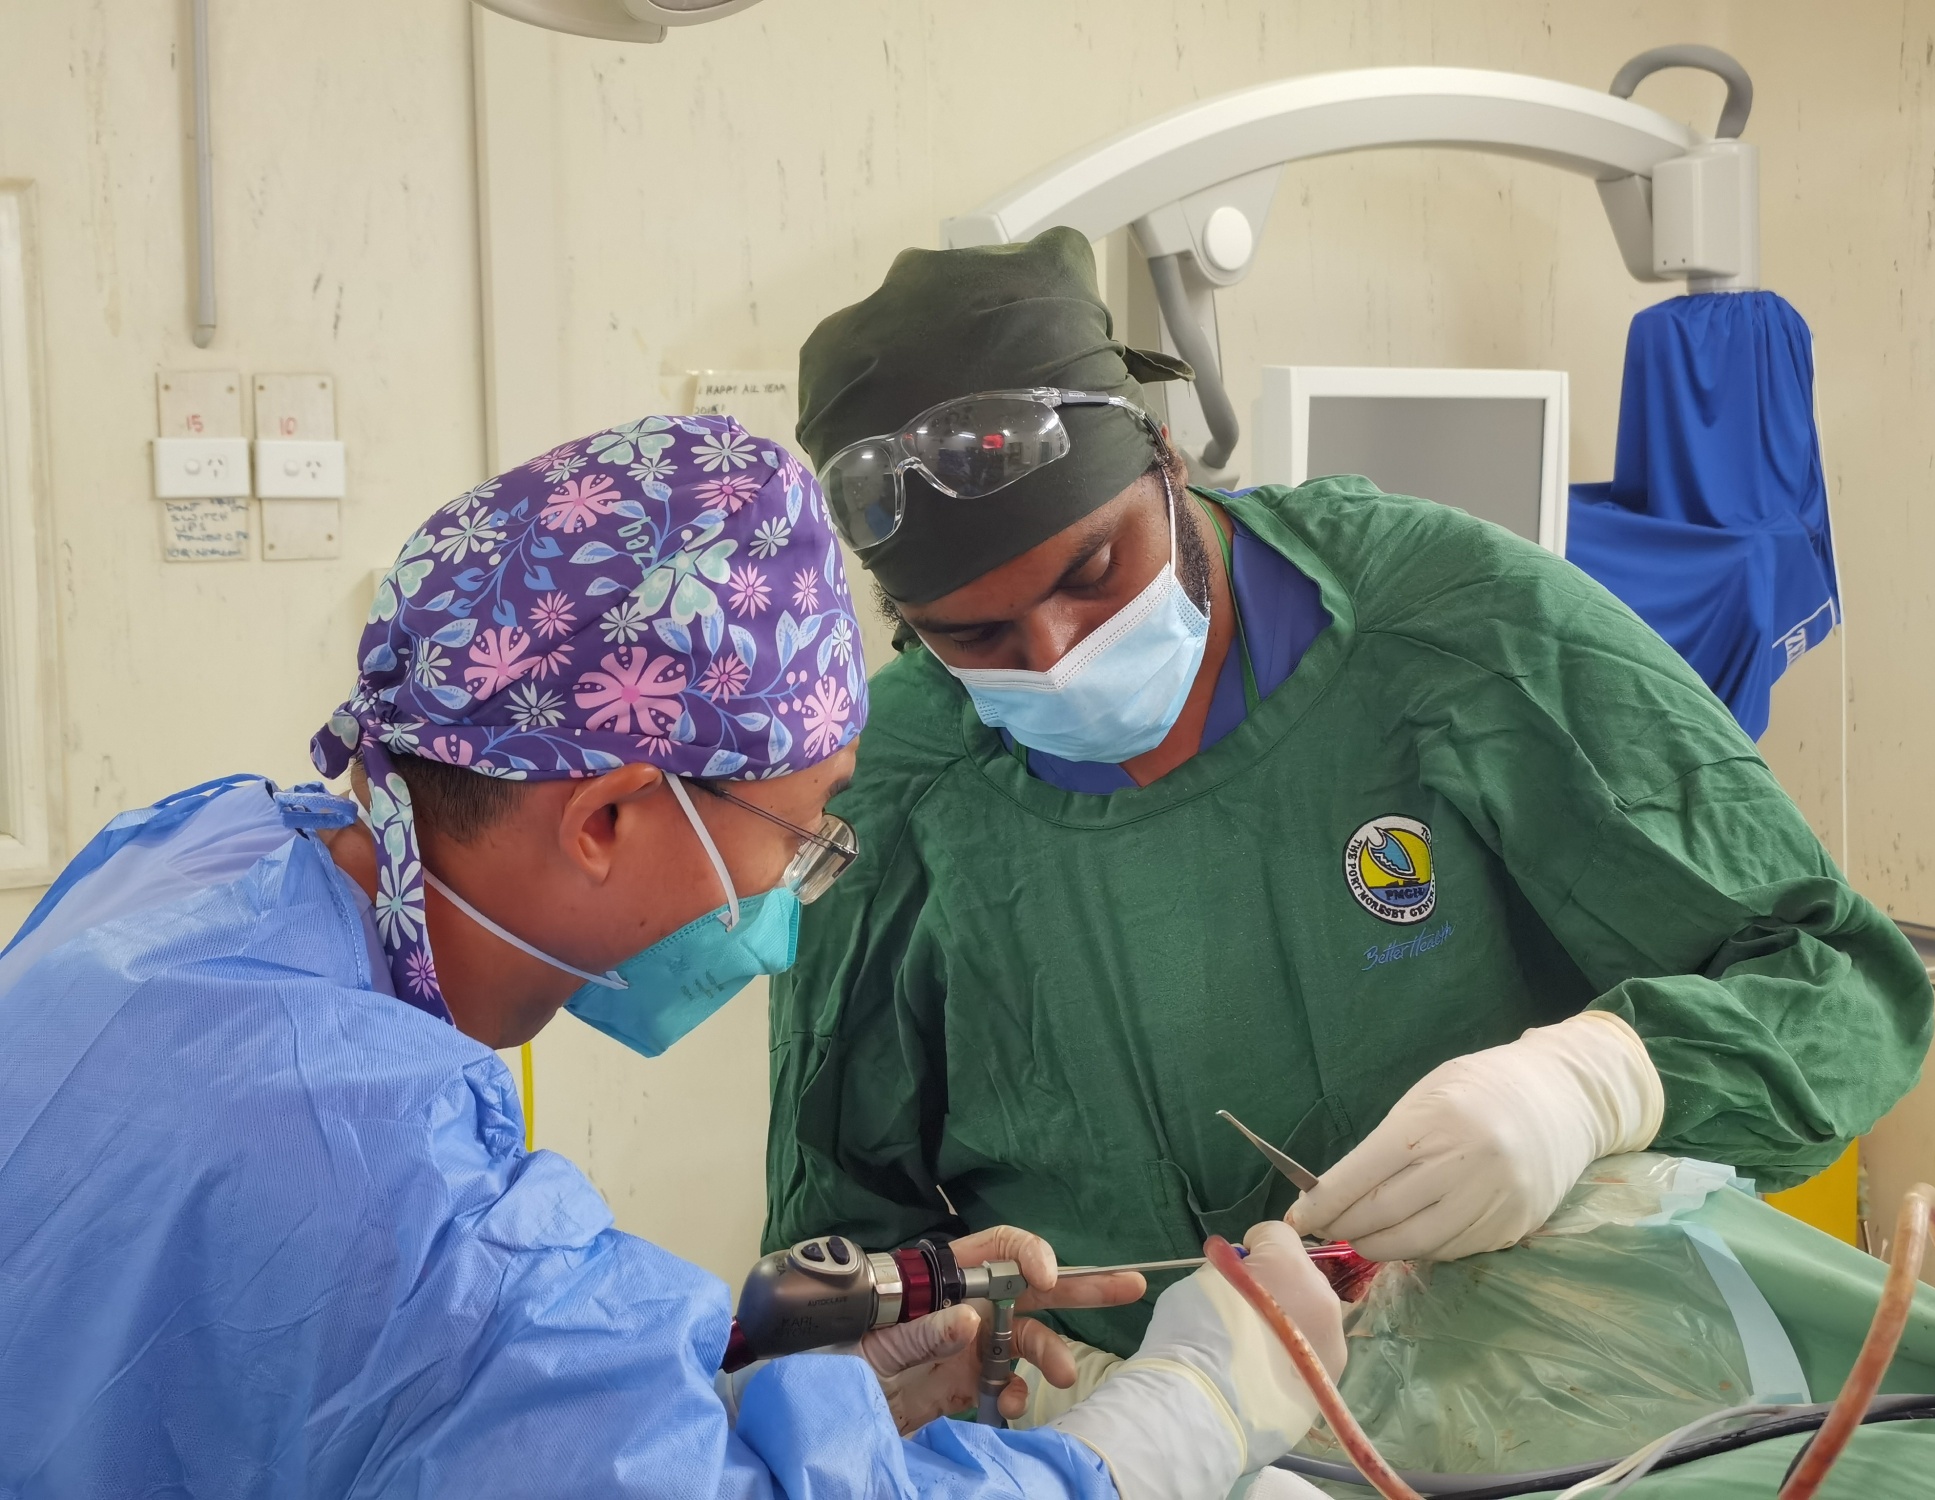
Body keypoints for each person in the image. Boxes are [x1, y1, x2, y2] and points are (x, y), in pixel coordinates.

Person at [0, 415, 1344, 1500]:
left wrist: (761, 1366)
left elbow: (422, 1390)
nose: (799, 886)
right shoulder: (394, 1196)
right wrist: (1177, 1426)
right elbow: (462, 1328)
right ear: (605, 819)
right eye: (801, 831)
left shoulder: (202, 854)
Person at [765, 228, 1935, 1360]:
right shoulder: (900, 784)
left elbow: (1839, 987)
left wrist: (1593, 1083)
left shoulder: (1449, 624)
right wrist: (968, 1365)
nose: (1059, 650)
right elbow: (839, 1247)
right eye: (974, 637)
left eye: (1091, 572)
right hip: (1136, 1437)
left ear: (1163, 459)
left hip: (1560, 1386)